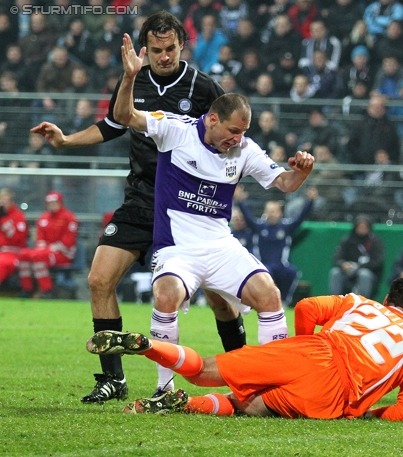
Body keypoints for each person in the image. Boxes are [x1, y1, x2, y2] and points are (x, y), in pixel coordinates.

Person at [29, 11, 241, 405]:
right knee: (99, 279)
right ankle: (113, 378)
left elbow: (232, 139)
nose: (164, 56)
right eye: (157, 50)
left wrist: (223, 194)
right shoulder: (135, 79)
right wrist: (65, 141)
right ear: (146, 49)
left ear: (182, 45)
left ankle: (248, 378)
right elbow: (112, 124)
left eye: (170, 49)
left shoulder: (202, 87)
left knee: (220, 298)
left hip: (188, 207)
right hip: (142, 200)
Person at [113, 33, 314, 395]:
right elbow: (124, 115)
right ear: (212, 119)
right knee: (165, 296)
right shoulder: (175, 130)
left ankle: (270, 388)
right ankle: (165, 389)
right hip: (177, 248)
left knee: (269, 294)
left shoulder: (245, 150)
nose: (237, 139)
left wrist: (300, 173)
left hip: (220, 246)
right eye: (233, 131)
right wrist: (130, 77)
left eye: (243, 133)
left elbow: (284, 184)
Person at [86, 276, 403, 421]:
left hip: (313, 349)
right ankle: (185, 405)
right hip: (334, 392)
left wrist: (302, 342)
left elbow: (309, 307)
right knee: (244, 405)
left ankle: (148, 346)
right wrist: (365, 412)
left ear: (388, 299)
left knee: (204, 369)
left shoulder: (362, 303)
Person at [235, 187, 316, 306]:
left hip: (281, 265)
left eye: (274, 211)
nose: (271, 214)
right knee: (265, 273)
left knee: (292, 272)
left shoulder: (286, 227)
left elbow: (301, 217)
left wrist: (310, 202)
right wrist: (239, 200)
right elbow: (247, 215)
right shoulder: (259, 227)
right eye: (269, 211)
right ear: (265, 212)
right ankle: (264, 301)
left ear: (280, 213)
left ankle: (284, 301)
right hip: (264, 264)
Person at [17, 191, 77, 299]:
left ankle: (47, 290)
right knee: (23, 255)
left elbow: (68, 242)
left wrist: (49, 248)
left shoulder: (69, 218)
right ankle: (27, 289)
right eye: (49, 203)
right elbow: (39, 238)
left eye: (55, 202)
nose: (52, 205)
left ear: (60, 202)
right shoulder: (43, 218)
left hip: (63, 254)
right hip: (45, 250)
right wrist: (42, 246)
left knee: (38, 257)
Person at [328, 215, 385, 299]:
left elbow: (377, 261)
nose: (362, 228)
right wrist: (343, 264)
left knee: (364, 274)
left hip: (367, 271)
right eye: (360, 226)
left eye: (364, 226)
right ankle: (334, 302)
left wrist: (358, 267)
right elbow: (337, 257)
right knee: (335, 272)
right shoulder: (347, 240)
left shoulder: (375, 242)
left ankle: (362, 304)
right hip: (348, 272)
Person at [0, 188, 28, 288]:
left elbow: (17, 239)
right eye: (1, 201)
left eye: (5, 201)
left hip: (13, 252)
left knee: (1, 263)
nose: (2, 204)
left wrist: (4, 221)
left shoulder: (18, 216)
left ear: (11, 201)